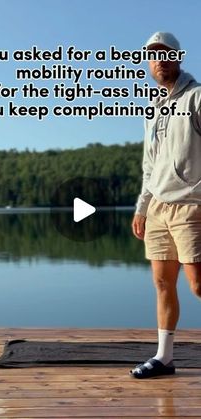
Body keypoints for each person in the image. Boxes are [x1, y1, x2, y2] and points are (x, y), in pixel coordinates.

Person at [131, 31, 201, 378]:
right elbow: (150, 162)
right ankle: (165, 358)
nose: (158, 60)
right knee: (162, 284)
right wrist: (143, 205)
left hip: (192, 205)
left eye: (165, 53)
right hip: (158, 206)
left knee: (199, 284)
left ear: (178, 57)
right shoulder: (153, 108)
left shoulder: (198, 98)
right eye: (152, 55)